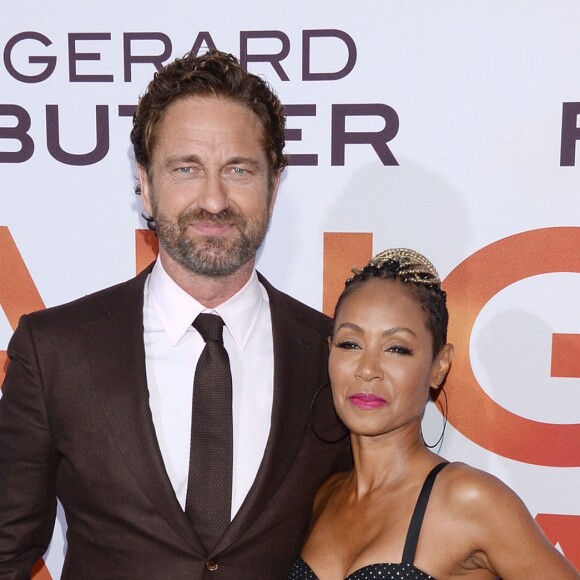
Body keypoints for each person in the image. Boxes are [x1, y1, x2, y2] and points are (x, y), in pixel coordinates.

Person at [0, 50, 349, 579]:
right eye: (186, 169)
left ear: (274, 186)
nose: (213, 199)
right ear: (144, 182)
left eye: (238, 169)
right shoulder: (56, 351)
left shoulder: (332, 355)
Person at [289, 248, 579, 579]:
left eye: (396, 348)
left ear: (438, 367)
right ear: (330, 353)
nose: (367, 370)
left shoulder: (471, 501)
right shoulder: (324, 497)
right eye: (350, 344)